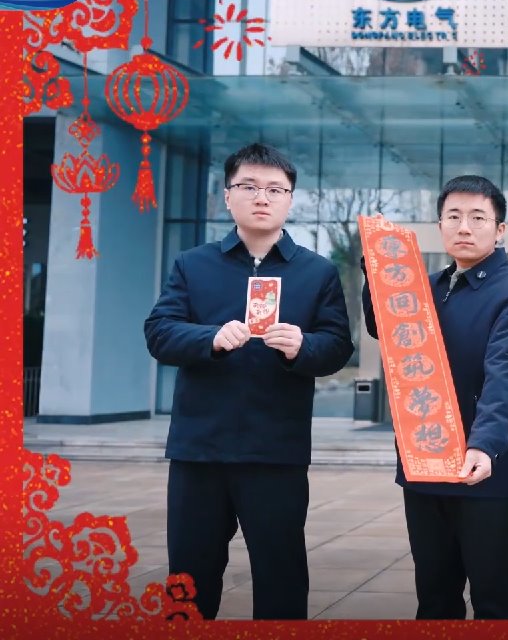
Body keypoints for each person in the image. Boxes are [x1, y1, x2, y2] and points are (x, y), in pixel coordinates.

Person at [144, 143, 354, 620]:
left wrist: (302, 346)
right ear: (227, 196)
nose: (263, 197)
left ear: (290, 199)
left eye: (276, 189)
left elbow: (338, 346)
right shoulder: (193, 264)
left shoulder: (317, 272)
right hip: (200, 451)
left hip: (276, 451)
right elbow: (159, 332)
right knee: (189, 580)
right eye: (249, 186)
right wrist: (210, 338)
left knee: (281, 578)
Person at [361, 175, 508, 619]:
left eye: (478, 217)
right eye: (453, 216)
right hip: (424, 463)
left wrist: (485, 443)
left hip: (486, 468)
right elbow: (384, 329)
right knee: (435, 595)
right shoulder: (425, 287)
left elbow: (507, 373)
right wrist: (376, 271)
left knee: (493, 596)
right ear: (439, 225)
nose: (464, 227)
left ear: (499, 229)